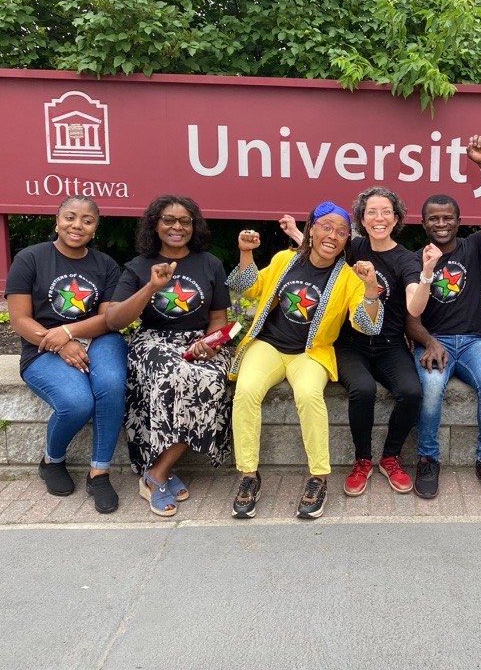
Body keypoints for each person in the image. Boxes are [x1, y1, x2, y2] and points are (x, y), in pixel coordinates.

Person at [281, 188, 441, 497]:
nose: (379, 218)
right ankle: (362, 459)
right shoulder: (352, 247)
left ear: (396, 218)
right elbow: (319, 247)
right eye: (371, 212)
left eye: (386, 212)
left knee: (411, 392)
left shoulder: (406, 258)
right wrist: (295, 233)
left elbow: (415, 307)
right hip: (349, 343)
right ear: (362, 219)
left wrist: (426, 274)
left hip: (390, 343)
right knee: (363, 389)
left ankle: (390, 457)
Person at [227, 202, 383, 520]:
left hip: (310, 352)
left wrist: (370, 288)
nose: (333, 236)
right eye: (326, 227)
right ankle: (247, 477)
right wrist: (245, 253)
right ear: (311, 228)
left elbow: (367, 325)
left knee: (310, 395)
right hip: (268, 346)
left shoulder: (349, 279)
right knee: (246, 391)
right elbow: (247, 288)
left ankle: (318, 478)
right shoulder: (286, 260)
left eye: (341, 232)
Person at [105, 195, 233, 518]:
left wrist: (211, 343)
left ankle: (158, 470)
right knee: (172, 376)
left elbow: (218, 316)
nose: (177, 226)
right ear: (155, 224)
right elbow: (115, 320)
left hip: (199, 342)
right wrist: (150, 286)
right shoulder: (137, 266)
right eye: (169, 220)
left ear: (194, 225)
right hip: (153, 341)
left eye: (185, 221)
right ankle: (158, 474)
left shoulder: (210, 264)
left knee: (212, 380)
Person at [405, 134, 481, 500]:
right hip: (432, 339)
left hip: (475, 341)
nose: (441, 223)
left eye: (447, 217)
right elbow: (410, 316)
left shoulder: (475, 246)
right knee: (432, 389)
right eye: (433, 218)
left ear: (458, 221)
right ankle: (427, 458)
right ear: (422, 223)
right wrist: (429, 340)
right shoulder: (413, 258)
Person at [5, 195, 126, 513]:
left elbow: (108, 318)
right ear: (56, 221)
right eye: (70, 217)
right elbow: (19, 320)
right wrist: (59, 342)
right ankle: (51, 460)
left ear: (95, 228)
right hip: (41, 347)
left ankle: (99, 473)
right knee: (77, 403)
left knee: (111, 385)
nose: (77, 225)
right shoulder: (30, 259)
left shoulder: (106, 265)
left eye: (87, 220)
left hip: (99, 340)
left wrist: (71, 332)